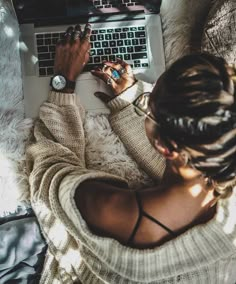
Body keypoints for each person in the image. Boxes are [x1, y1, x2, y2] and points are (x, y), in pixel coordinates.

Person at [26, 24, 236, 283]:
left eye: (147, 105)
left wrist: (63, 83)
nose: (143, 103)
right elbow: (183, 174)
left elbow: (49, 173)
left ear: (165, 147)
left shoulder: (111, 211)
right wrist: (130, 100)